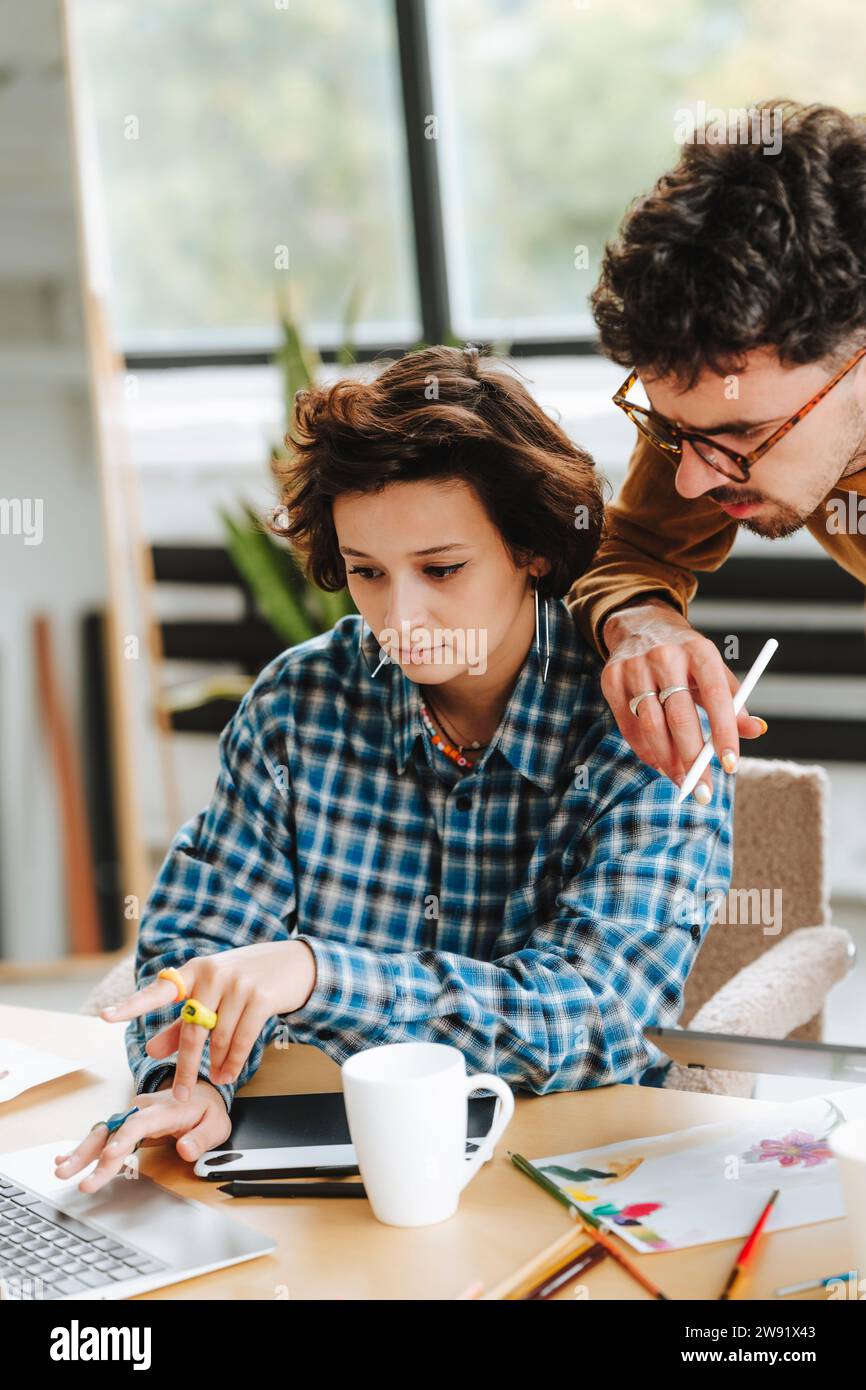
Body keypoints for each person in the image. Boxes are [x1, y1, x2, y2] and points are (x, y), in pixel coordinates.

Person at [54, 346, 732, 1194]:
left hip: (568, 1178)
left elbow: (601, 1018)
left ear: (533, 550)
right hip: (331, 1180)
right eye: (368, 574)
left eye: (441, 569)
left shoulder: (650, 722)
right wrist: (194, 1087)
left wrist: (315, 974)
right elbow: (202, 944)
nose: (400, 618)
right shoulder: (298, 703)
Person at [566, 100, 866, 801]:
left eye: (744, 436)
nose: (694, 480)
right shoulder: (712, 415)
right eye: (677, 432)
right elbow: (632, 549)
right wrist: (640, 622)